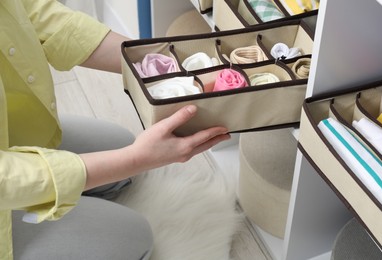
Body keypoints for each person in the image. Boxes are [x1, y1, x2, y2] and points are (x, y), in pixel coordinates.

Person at [0, 0, 231, 259]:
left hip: (12, 132)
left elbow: (40, 15)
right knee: (134, 238)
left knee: (119, 150)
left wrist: (152, 63)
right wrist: (136, 158)